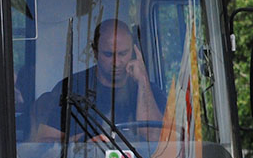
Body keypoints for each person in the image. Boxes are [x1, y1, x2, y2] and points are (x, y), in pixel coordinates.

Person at [31, 18, 163, 143]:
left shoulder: (148, 90)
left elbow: (156, 138)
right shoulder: (71, 89)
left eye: (123, 54)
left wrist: (143, 81)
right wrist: (82, 145)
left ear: (134, 52)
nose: (117, 62)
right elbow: (44, 144)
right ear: (95, 52)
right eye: (108, 54)